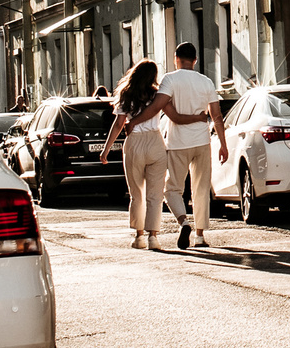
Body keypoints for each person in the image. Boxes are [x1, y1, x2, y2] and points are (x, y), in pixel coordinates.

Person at [156, 42, 229, 250]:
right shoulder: (206, 82)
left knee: (172, 189)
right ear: (195, 60)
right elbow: (216, 116)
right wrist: (223, 145)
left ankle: (183, 222)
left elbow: (164, 108)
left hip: (178, 142)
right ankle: (199, 235)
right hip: (202, 141)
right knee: (201, 188)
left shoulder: (169, 79)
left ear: (175, 58)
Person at [98, 61, 174, 249]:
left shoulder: (126, 95)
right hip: (156, 141)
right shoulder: (157, 94)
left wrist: (106, 150)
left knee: (136, 193)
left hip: (134, 142)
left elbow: (118, 124)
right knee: (155, 194)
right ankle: (153, 237)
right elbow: (172, 113)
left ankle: (139, 236)